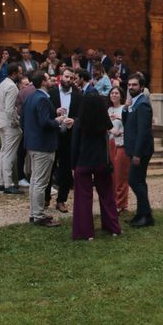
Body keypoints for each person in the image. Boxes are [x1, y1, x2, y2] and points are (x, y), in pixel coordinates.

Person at [21, 72, 73, 227]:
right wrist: (58, 120)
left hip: (32, 143)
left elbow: (28, 119)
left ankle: (34, 213)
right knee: (40, 182)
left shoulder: (31, 97)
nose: (51, 80)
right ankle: (38, 215)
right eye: (48, 78)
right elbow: (44, 123)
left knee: (35, 180)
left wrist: (54, 112)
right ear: (43, 82)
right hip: (43, 145)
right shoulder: (42, 98)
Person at [71, 92, 121, 240]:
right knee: (107, 196)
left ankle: (85, 232)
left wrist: (73, 165)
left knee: (83, 199)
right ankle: (113, 227)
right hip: (101, 162)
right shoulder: (103, 121)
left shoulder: (79, 122)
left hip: (83, 162)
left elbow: (74, 146)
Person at [48, 68, 83, 213]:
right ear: (60, 77)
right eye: (66, 76)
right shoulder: (52, 93)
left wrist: (73, 121)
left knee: (66, 170)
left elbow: (81, 116)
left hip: (69, 137)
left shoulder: (77, 95)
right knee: (48, 168)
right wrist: (55, 114)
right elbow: (46, 113)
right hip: (53, 135)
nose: (68, 80)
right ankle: (45, 198)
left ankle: (61, 200)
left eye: (70, 77)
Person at [122, 72, 155, 228]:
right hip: (134, 149)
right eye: (129, 85)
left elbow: (143, 131)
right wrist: (125, 108)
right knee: (139, 181)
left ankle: (146, 215)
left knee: (134, 181)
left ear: (141, 87)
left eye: (134, 85)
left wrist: (137, 154)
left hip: (140, 151)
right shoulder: (133, 103)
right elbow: (127, 123)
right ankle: (141, 213)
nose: (131, 87)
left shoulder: (142, 104)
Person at [0, 63, 23, 195]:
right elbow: (9, 109)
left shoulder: (2, 83)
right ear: (14, 73)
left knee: (4, 152)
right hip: (8, 124)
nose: (21, 75)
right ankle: (8, 183)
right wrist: (15, 122)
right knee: (9, 154)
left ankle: (2, 182)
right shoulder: (12, 87)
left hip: (1, 121)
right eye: (20, 72)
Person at [108, 86, 130, 214]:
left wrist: (120, 118)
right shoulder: (108, 109)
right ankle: (113, 201)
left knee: (121, 174)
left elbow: (130, 124)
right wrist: (111, 129)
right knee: (112, 174)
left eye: (116, 93)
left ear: (121, 96)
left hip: (122, 143)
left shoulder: (124, 109)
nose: (114, 95)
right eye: (112, 93)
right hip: (110, 143)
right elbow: (104, 125)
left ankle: (121, 204)